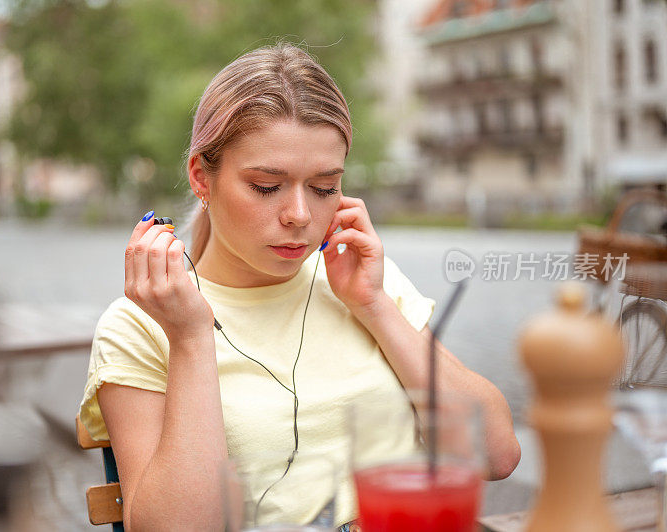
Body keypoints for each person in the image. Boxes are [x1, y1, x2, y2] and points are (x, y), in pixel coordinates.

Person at [78, 43, 520, 531]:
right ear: (202, 177)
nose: (301, 215)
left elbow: (497, 454)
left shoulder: (362, 281)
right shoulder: (144, 323)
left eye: (325, 187)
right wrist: (190, 339)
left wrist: (374, 305)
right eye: (267, 187)